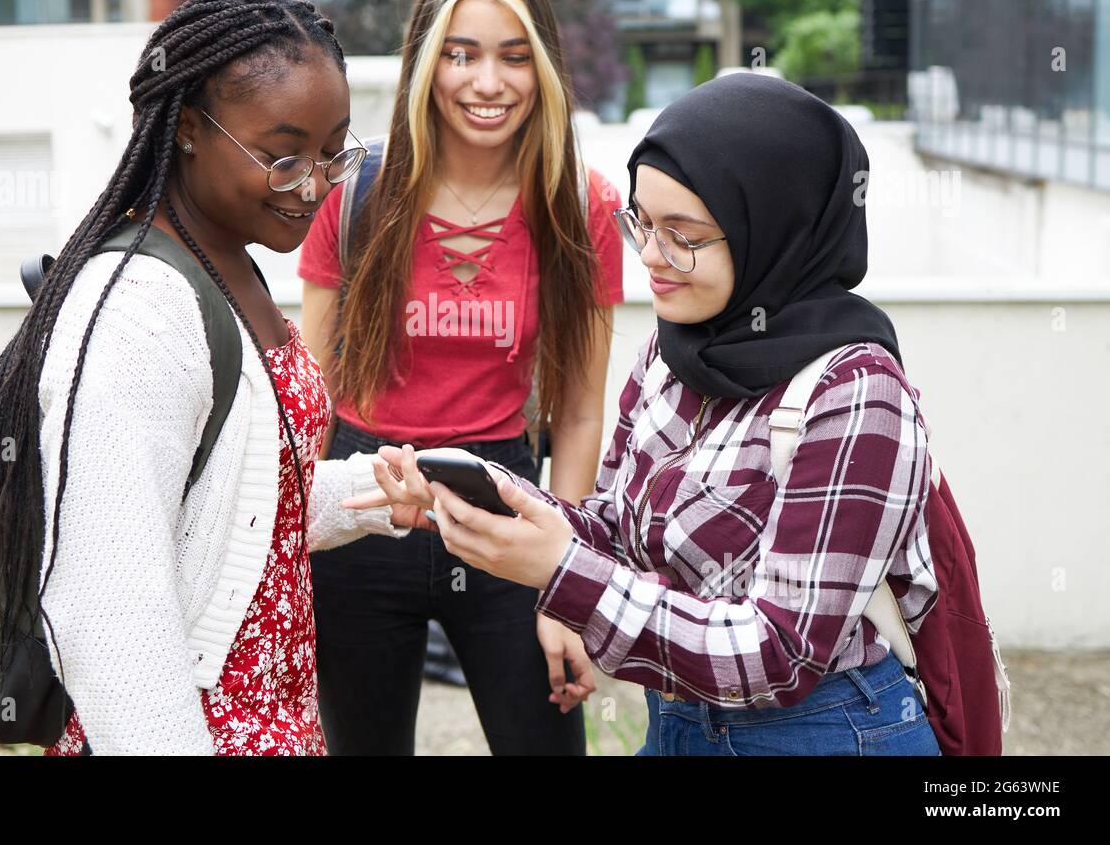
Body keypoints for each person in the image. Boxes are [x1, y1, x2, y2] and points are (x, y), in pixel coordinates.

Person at [354, 73, 943, 756]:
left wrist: (560, 571)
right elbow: (615, 524)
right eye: (642, 224)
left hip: (821, 731)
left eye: (685, 236)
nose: (653, 260)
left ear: (774, 227)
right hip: (680, 720)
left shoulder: (856, 394)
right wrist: (484, 502)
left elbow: (778, 653)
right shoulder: (674, 353)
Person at [0, 0, 413, 756]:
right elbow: (108, 612)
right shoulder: (140, 311)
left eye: (333, 151)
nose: (313, 187)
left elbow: (230, 508)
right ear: (192, 132)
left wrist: (379, 492)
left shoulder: (231, 255)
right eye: (280, 158)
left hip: (273, 728)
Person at [297, 0, 624, 755]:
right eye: (461, 54)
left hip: (507, 505)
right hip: (364, 504)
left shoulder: (583, 207)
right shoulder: (354, 194)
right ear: (425, 63)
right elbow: (306, 398)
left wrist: (565, 582)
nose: (487, 83)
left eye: (514, 57)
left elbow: (580, 412)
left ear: (544, 67)